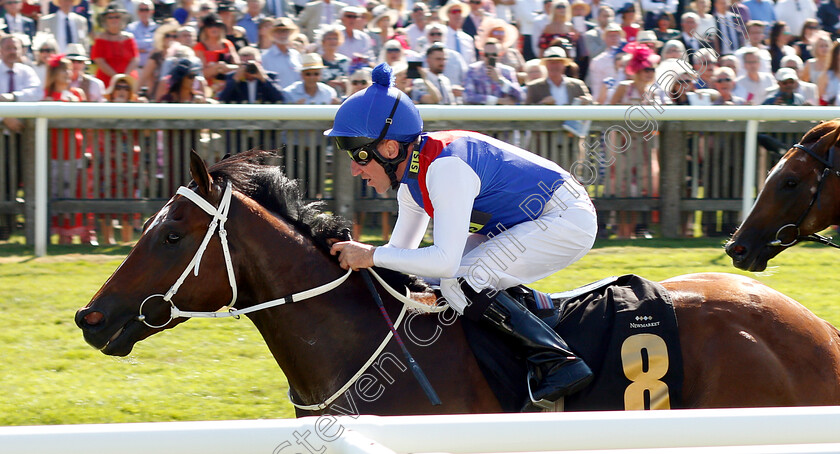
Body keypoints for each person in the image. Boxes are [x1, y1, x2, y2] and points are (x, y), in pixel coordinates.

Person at [326, 62, 596, 407]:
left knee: (460, 281)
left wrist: (370, 254)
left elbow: (443, 259)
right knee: (441, 284)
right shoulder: (411, 183)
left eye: (357, 155)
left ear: (390, 149)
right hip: (521, 221)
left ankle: (559, 361)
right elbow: (401, 259)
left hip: (564, 219)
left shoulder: (444, 168)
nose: (353, 169)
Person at [462, 37, 524, 105]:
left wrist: (500, 80)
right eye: (486, 55)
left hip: (502, 113)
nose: (490, 58)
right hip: (480, 113)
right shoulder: (473, 70)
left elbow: (520, 96)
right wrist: (497, 100)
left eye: (494, 55)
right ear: (482, 54)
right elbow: (468, 96)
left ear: (500, 55)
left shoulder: (507, 71)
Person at [91, 2, 139, 87]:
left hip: (128, 80)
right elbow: (100, 61)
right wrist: (116, 77)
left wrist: (124, 77)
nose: (114, 20)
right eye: (110, 17)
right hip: (106, 80)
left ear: (122, 19)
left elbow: (134, 59)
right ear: (105, 20)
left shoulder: (129, 38)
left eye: (117, 17)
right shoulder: (100, 39)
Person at [0, 34, 41, 133]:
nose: (12, 52)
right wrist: (3, 117)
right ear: (0, 50)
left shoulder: (27, 71)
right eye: (8, 48)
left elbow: (37, 93)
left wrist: (14, 97)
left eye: (15, 48)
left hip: (23, 132)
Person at [525, 46, 591, 105]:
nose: (554, 66)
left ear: (564, 65)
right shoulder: (534, 87)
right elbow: (526, 111)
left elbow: (591, 103)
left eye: (558, 62)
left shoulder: (577, 85)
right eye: (551, 63)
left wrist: (587, 101)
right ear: (546, 65)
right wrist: (542, 103)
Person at [217, 45, 284, 103]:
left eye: (251, 63)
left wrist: (263, 78)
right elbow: (223, 99)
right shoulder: (232, 77)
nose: (247, 67)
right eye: (244, 64)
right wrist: (235, 79)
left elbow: (279, 98)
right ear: (239, 64)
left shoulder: (270, 76)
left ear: (259, 63)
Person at [126, 0, 157, 68]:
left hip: (154, 69)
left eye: (147, 9)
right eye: (141, 10)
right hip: (136, 68)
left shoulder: (158, 28)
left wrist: (140, 47)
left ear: (152, 11)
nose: (144, 12)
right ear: (137, 11)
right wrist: (150, 47)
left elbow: (158, 46)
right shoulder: (131, 28)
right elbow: (128, 46)